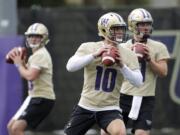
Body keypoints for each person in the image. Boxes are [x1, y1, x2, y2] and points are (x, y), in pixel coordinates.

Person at [64, 12, 143, 135]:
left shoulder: (128, 54)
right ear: (104, 30)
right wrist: (94, 55)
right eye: (116, 29)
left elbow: (138, 82)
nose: (120, 33)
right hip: (86, 106)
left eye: (121, 29)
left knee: (120, 131)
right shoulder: (89, 47)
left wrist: (122, 66)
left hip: (110, 108)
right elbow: (70, 66)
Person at [101, 8, 170, 135]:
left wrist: (149, 59)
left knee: (142, 133)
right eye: (142, 24)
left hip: (146, 98)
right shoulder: (123, 46)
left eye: (148, 24)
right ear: (133, 25)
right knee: (108, 132)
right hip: (123, 96)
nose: (146, 27)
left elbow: (163, 72)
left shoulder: (158, 47)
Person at [7, 23, 56, 135]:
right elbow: (25, 74)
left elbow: (30, 76)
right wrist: (22, 63)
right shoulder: (35, 55)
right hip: (34, 96)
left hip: (42, 98)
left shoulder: (41, 54)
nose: (33, 39)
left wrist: (19, 64)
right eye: (31, 36)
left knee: (16, 129)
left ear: (44, 38)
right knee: (11, 127)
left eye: (37, 36)